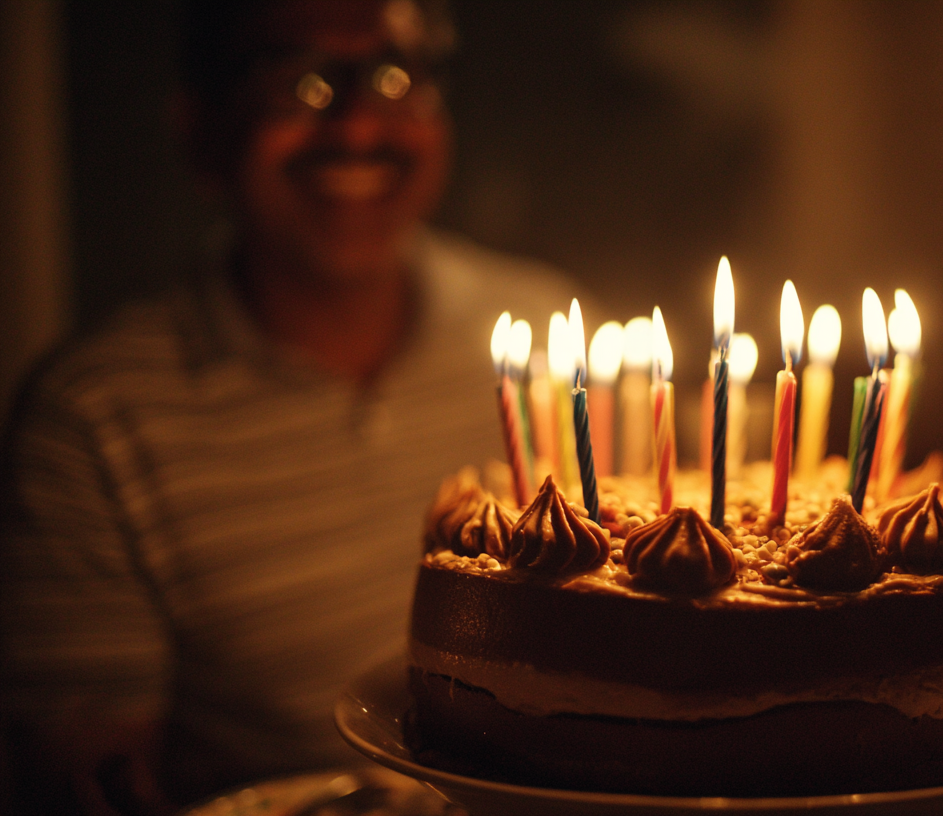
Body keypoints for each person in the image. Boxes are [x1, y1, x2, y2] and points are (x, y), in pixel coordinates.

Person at [0, 1, 579, 812]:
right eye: (296, 81)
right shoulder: (94, 418)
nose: (357, 125)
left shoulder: (547, 344)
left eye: (395, 75)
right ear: (201, 132)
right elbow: (89, 774)